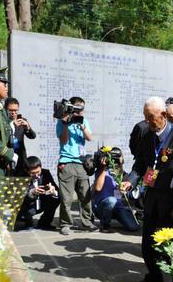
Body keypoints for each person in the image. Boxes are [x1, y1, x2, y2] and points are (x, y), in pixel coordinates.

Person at [122, 96, 173, 282]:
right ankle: (154, 274)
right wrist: (130, 181)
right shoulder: (146, 136)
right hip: (152, 195)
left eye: (150, 116)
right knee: (148, 239)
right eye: (145, 116)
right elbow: (139, 165)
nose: (147, 121)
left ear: (163, 115)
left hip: (172, 196)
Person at [55, 96, 96, 235]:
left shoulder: (84, 121)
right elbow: (64, 140)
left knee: (85, 195)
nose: (80, 112)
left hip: (81, 162)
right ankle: (65, 223)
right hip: (66, 162)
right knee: (66, 197)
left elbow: (90, 138)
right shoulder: (62, 121)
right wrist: (67, 123)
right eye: (77, 108)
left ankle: (86, 222)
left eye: (82, 109)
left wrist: (82, 125)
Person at [92, 147, 139, 233]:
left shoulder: (120, 173)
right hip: (102, 207)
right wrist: (104, 168)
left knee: (133, 227)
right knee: (111, 200)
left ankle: (126, 213)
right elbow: (98, 188)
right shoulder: (101, 171)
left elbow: (124, 187)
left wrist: (121, 162)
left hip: (117, 207)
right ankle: (105, 224)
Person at [16, 156, 59, 230]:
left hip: (41, 202)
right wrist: (32, 192)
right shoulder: (21, 176)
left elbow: (55, 188)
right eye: (33, 173)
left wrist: (53, 191)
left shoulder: (45, 173)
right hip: (26, 205)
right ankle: (26, 220)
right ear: (27, 170)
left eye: (38, 172)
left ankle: (44, 223)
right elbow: (18, 197)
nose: (36, 175)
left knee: (57, 198)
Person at [5, 97, 36, 176]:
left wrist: (27, 127)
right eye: (11, 110)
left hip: (20, 158)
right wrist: (11, 126)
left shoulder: (22, 120)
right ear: (5, 109)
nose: (13, 113)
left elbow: (32, 136)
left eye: (16, 110)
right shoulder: (3, 122)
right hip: (7, 156)